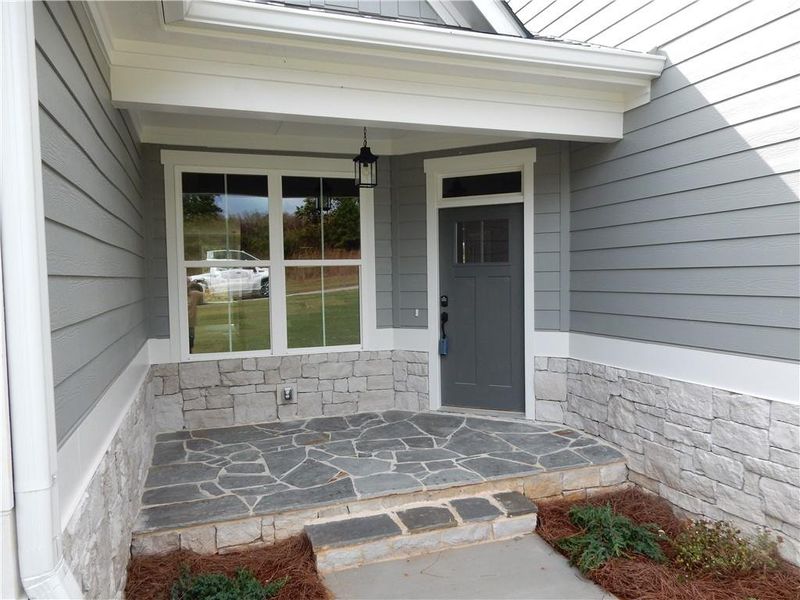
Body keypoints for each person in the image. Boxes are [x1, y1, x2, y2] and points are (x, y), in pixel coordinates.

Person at [187, 280, 205, 352]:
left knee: (190, 341)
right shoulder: (194, 294)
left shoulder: (194, 294)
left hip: (190, 322)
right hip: (185, 322)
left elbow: (202, 297)